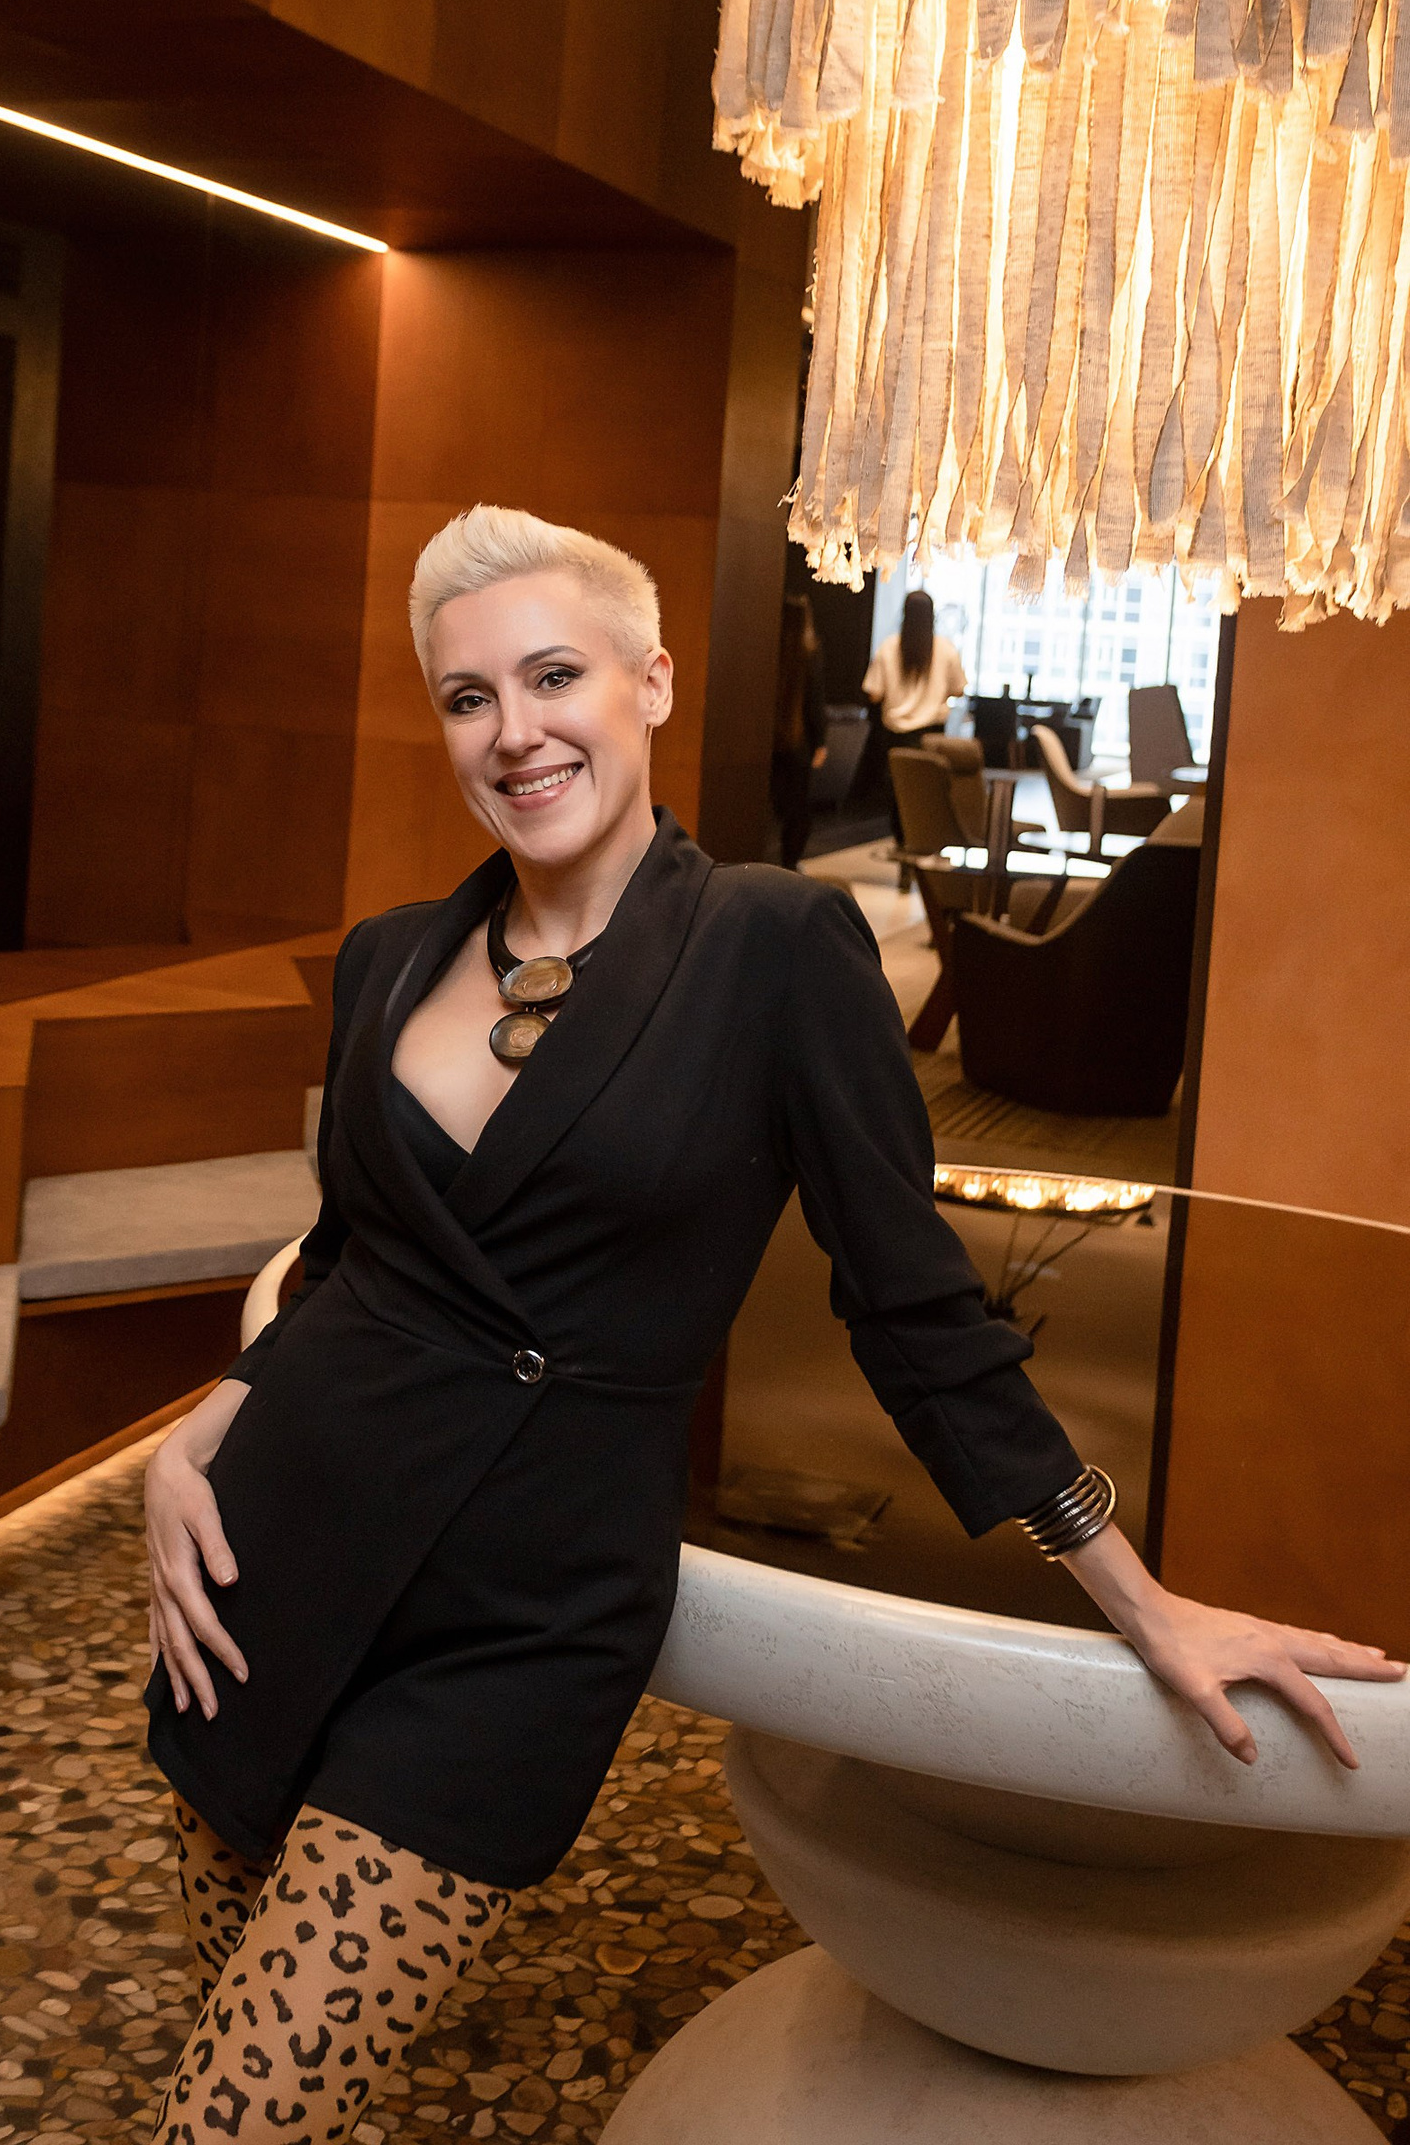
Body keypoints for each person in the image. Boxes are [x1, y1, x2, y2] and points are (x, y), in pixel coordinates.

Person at [140, 506, 1398, 2145]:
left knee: (234, 2119)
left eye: (554, 676)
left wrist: (1137, 1597)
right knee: (241, 2078)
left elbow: (914, 1306)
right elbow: (350, 1256)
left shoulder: (774, 945)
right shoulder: (388, 960)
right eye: (467, 697)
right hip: (262, 1566)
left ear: (652, 682)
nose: (514, 731)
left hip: (515, 1625)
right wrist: (205, 1425)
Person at [863, 585, 968, 849]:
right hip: (932, 736)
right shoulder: (945, 649)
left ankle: (902, 846)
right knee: (928, 795)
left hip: (896, 736)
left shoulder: (889, 647)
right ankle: (925, 847)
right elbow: (959, 689)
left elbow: (873, 693)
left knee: (900, 795)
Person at [769, 589, 829, 869]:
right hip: (798, 745)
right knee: (797, 810)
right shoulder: (810, 653)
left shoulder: (768, 652)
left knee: (772, 806)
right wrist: (821, 742)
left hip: (769, 743)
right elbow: (815, 702)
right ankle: (789, 864)